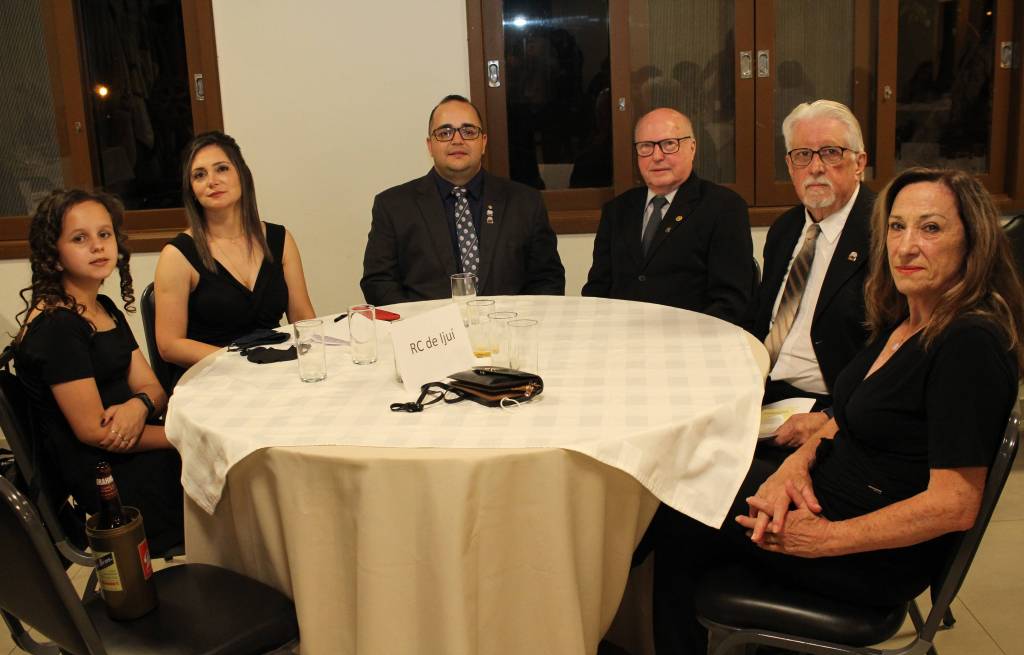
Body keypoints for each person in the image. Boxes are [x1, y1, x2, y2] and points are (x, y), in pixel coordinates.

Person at [651, 167, 1024, 655]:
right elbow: (843, 416)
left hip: (868, 556)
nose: (906, 246)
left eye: (931, 228)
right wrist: (793, 468)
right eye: (896, 227)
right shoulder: (910, 317)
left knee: (676, 507)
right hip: (831, 497)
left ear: (973, 242)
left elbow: (955, 504)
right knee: (686, 480)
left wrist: (824, 539)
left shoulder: (968, 344)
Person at [14, 189, 185, 554]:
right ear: (53, 254)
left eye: (104, 234)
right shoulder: (57, 326)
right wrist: (181, 438)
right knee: (227, 471)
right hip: (111, 481)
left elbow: (152, 387)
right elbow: (99, 434)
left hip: (137, 448)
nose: (97, 246)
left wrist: (138, 405)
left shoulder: (102, 307)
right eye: (80, 238)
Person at [747, 100, 875, 457]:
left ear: (859, 163)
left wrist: (830, 417)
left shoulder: (885, 234)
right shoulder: (785, 229)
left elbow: (897, 354)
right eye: (803, 155)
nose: (816, 167)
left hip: (834, 406)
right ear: (790, 166)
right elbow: (762, 320)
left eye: (831, 153)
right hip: (765, 390)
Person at [360, 94, 566, 305]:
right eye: (445, 133)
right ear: (430, 146)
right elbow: (378, 282)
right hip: (426, 325)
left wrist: (520, 320)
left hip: (509, 324)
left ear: (483, 142)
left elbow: (548, 279)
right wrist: (418, 322)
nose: (457, 140)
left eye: (468, 132)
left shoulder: (525, 202)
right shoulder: (393, 206)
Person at [154, 131, 315, 379]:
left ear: (242, 174)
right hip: (212, 375)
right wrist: (238, 361)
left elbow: (303, 318)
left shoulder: (281, 239)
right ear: (192, 189)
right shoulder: (176, 255)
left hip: (273, 368)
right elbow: (169, 345)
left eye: (222, 169)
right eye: (199, 175)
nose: (212, 181)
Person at [582, 107, 753, 325]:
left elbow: (730, 301)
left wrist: (685, 338)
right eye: (646, 146)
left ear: (692, 148)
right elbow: (597, 289)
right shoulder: (617, 210)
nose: (657, 156)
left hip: (692, 337)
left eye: (669, 144)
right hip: (622, 334)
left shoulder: (723, 208)